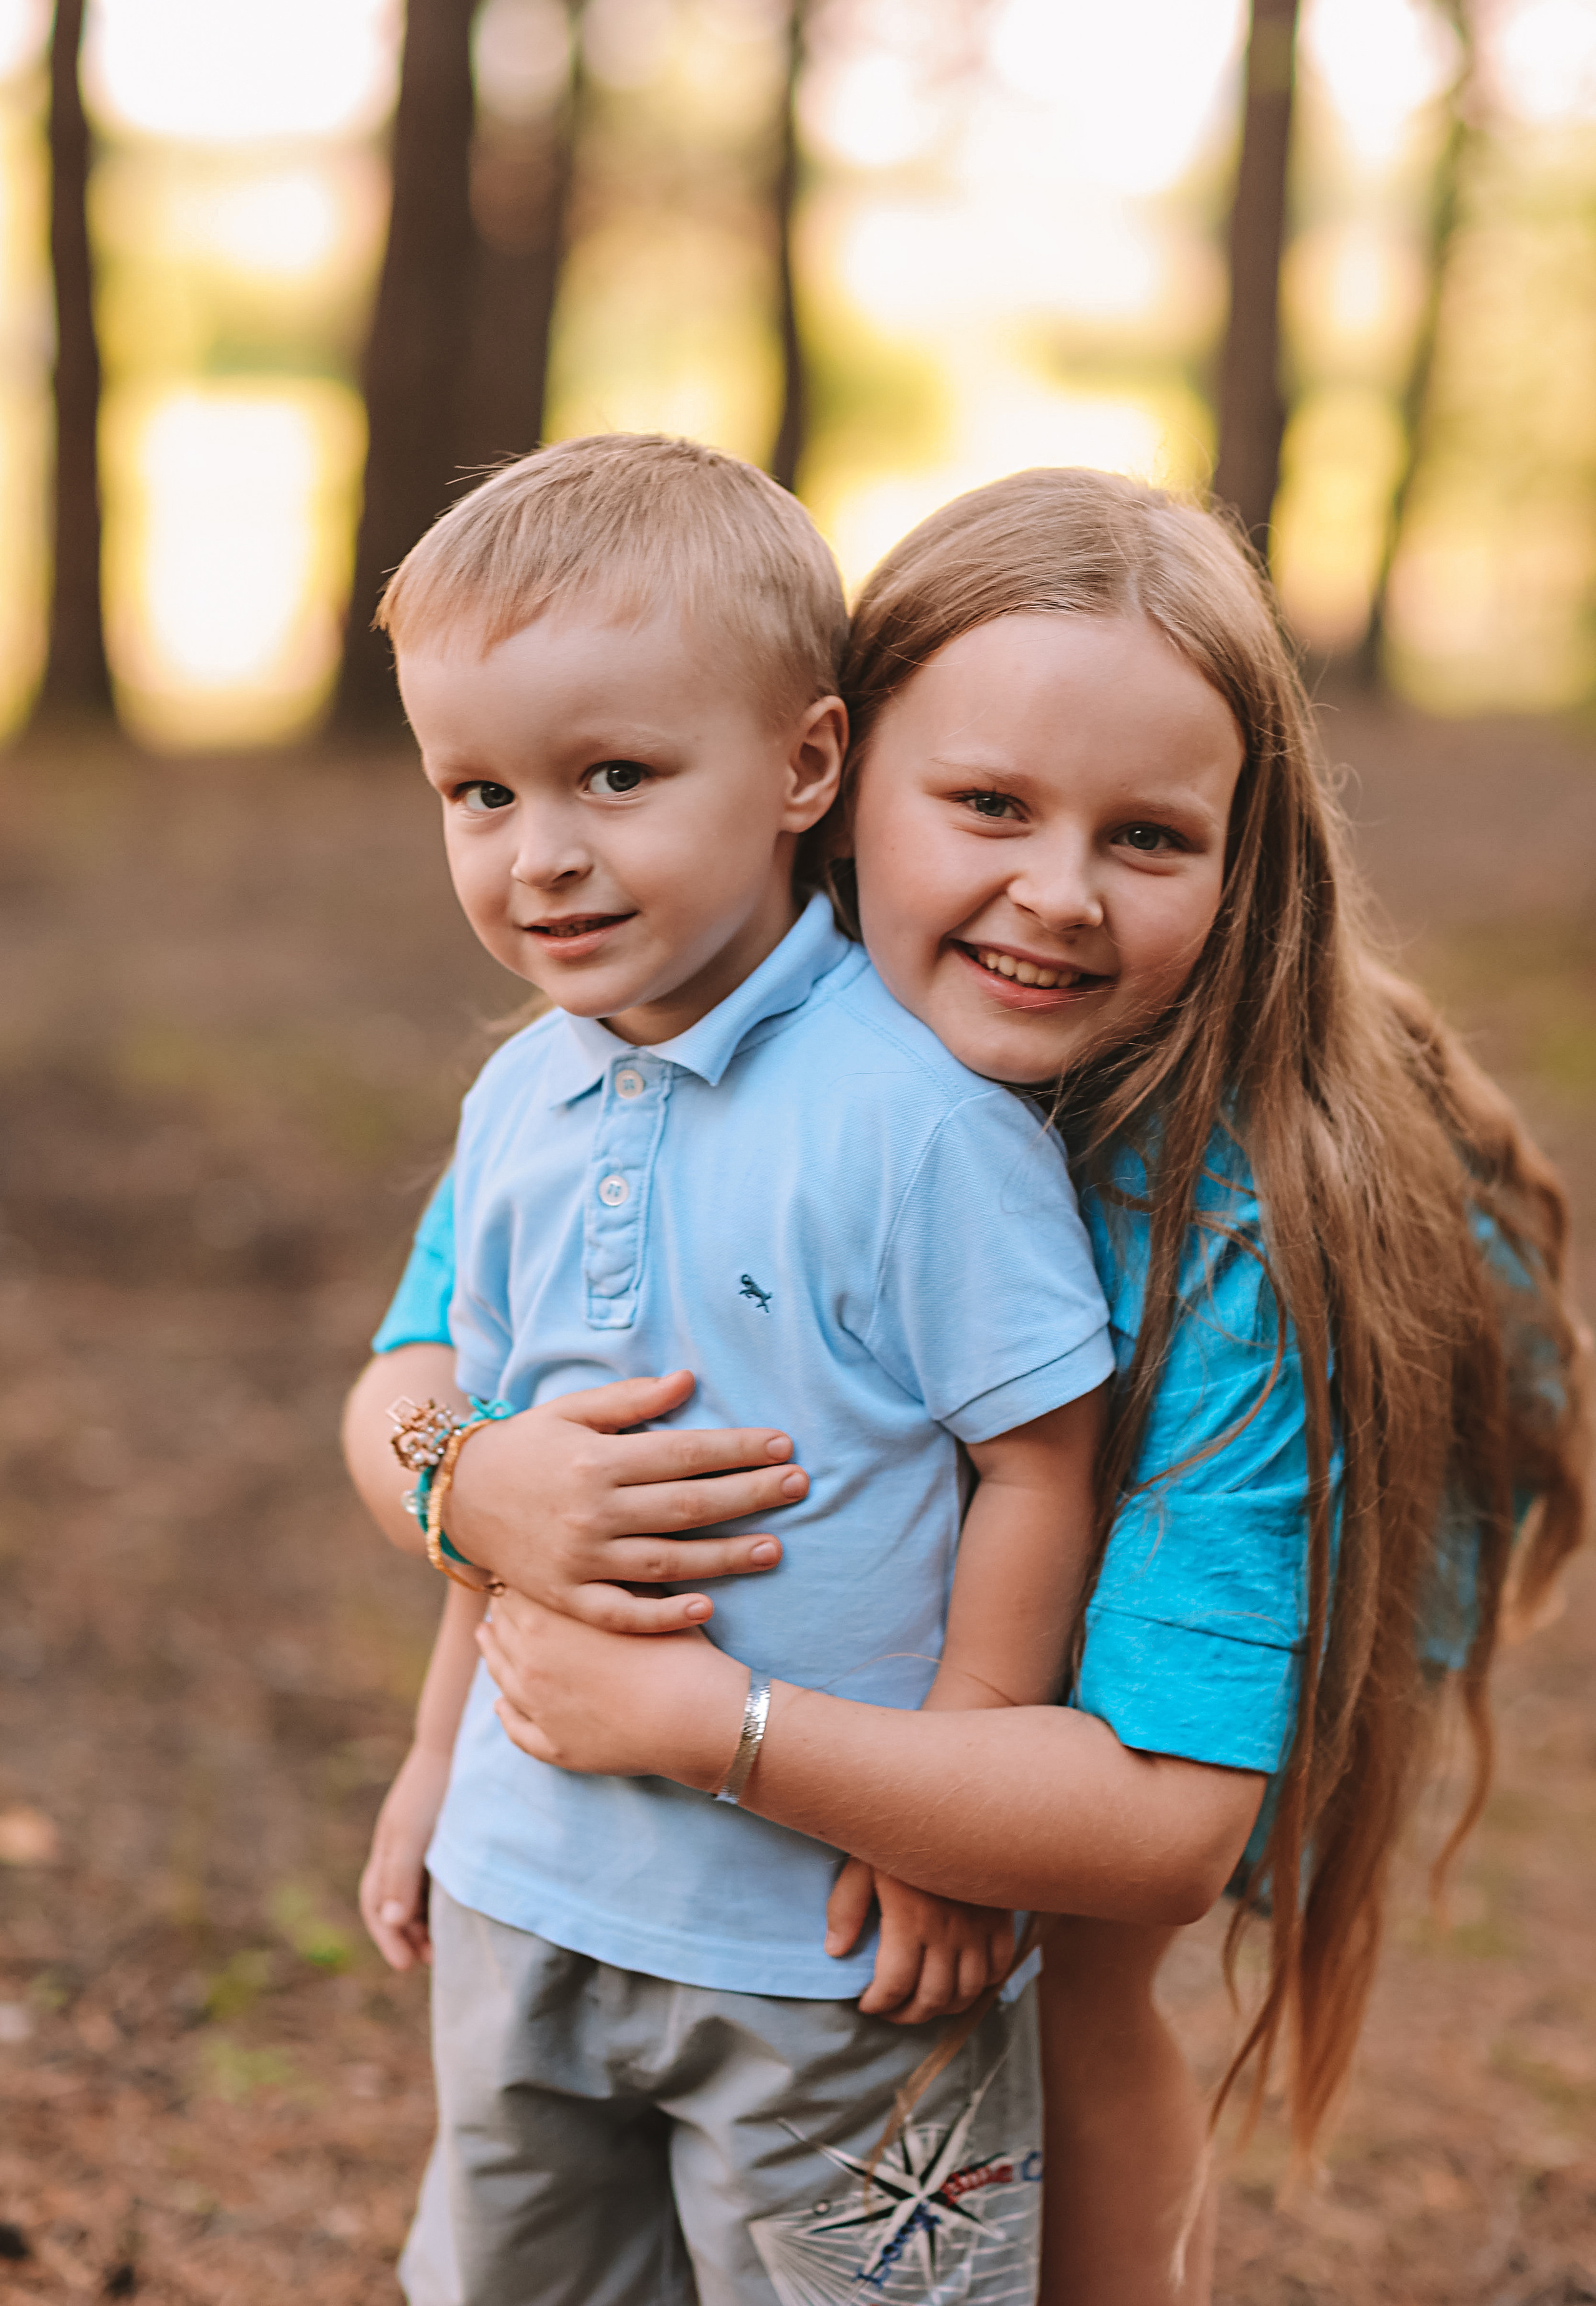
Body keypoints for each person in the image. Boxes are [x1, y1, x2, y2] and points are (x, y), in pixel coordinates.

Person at [346, 466, 1587, 2305]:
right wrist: (474, 1484)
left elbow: (1163, 1828)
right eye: (988, 805)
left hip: (1268, 1463)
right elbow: (423, 1373)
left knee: (1057, 1952)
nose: (1057, 897)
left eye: (1151, 841)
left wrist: (836, 1775)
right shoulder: (651, 1041)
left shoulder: (1241, 1251)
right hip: (832, 1656)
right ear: (830, 784)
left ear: (1243, 862)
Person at [358, 433, 1122, 2306]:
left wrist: (947, 1815)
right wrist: (435, 1764)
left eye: (614, 777)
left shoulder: (915, 1122)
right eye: (477, 790)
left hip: (829, 1945)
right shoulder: (520, 1092)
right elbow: (518, 1494)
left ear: (805, 765)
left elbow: (1042, 1460)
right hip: (530, 1897)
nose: (541, 853)